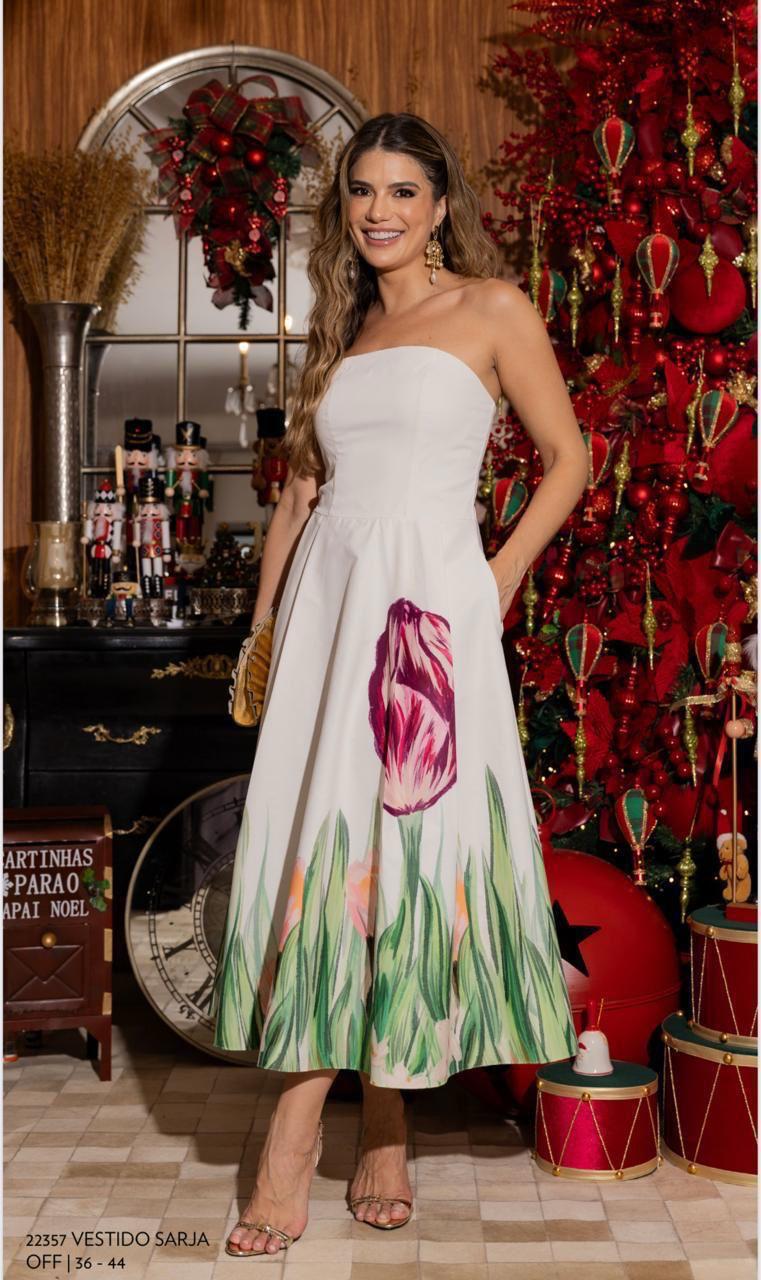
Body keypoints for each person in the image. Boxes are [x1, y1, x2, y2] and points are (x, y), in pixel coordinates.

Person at [211, 111, 588, 1259]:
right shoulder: (344, 334)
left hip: (427, 617)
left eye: (401, 192)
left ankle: (323, 1134)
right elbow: (299, 496)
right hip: (328, 617)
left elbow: (568, 458)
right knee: (330, 846)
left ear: (438, 205)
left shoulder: (491, 308)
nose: (378, 210)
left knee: (404, 850)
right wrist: (265, 630)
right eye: (362, 191)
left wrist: (494, 578)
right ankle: (363, 1123)